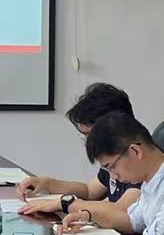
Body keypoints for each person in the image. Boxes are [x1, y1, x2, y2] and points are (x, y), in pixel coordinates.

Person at [17, 82, 142, 215]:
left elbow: (122, 211)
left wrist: (64, 204)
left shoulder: (137, 161)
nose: (87, 143)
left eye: (90, 135)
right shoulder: (114, 156)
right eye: (84, 136)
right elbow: (89, 191)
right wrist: (46, 183)